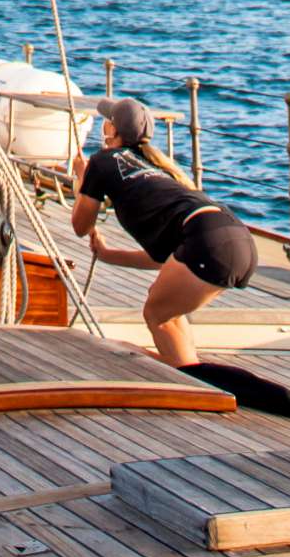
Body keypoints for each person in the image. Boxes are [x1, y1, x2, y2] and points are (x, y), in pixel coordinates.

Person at [71, 95, 258, 366]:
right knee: (169, 309)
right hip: (236, 238)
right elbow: (165, 259)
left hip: (207, 241)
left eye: (106, 123)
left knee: (155, 314)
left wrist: (81, 177)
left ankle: (183, 375)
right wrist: (108, 254)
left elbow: (80, 225)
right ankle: (188, 368)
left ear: (113, 131)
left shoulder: (103, 160)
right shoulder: (160, 169)